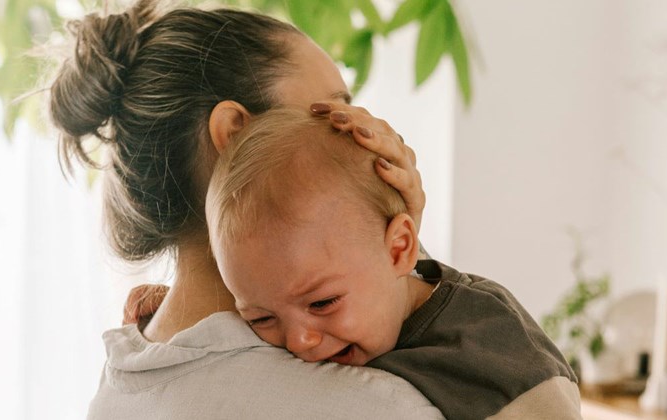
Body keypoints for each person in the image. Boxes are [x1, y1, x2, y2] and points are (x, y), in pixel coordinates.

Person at [48, 1, 441, 419]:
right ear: (237, 134)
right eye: (333, 113)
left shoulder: (117, 391)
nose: (361, 135)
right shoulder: (375, 404)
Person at [203, 108, 583, 420]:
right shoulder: (319, 290)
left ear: (400, 250)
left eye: (322, 303)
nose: (299, 342)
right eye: (260, 319)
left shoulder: (496, 355)